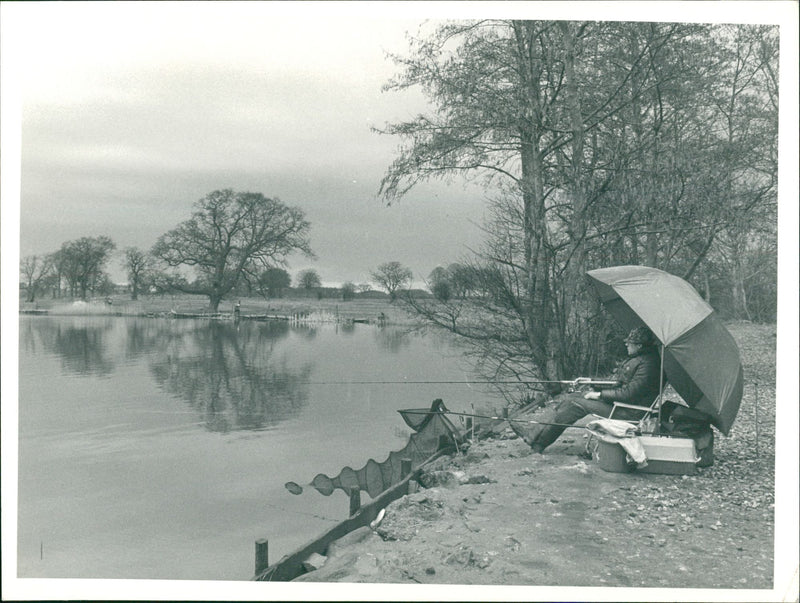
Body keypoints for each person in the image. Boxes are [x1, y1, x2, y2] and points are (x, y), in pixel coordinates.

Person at [509, 326, 663, 453]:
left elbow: (629, 393)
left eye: (629, 343)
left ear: (639, 346)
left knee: (575, 404)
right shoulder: (642, 359)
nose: (626, 345)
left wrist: (599, 395)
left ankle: (536, 439)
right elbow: (617, 382)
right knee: (571, 398)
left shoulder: (648, 365)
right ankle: (535, 436)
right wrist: (591, 382)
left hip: (628, 411)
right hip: (620, 405)